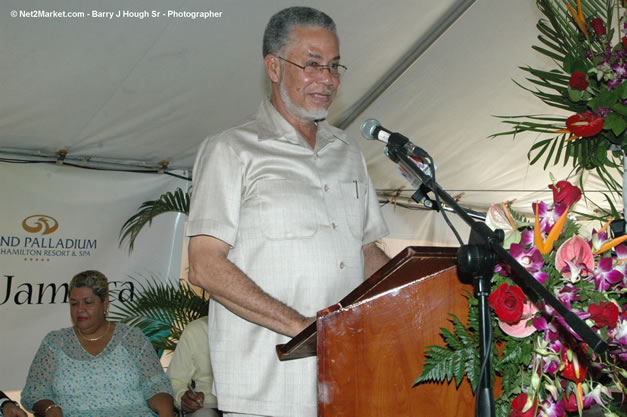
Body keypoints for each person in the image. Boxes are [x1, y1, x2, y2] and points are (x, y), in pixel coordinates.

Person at [187, 6, 390, 417]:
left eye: (334, 66)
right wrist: (306, 330)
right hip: (265, 393)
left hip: (348, 384)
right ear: (274, 67)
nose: (328, 80)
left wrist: (422, 298)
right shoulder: (231, 150)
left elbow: (367, 252)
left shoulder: (348, 151)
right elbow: (204, 267)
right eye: (312, 64)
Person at [21, 270, 176, 417]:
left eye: (88, 302)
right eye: (74, 303)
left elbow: (156, 385)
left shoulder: (132, 338)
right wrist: (50, 408)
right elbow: (34, 393)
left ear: (105, 303)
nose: (80, 309)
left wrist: (166, 413)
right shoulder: (55, 342)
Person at [166, 316, 220, 417]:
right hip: (208, 405)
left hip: (253, 405)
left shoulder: (258, 326)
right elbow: (175, 380)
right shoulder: (197, 329)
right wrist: (182, 397)